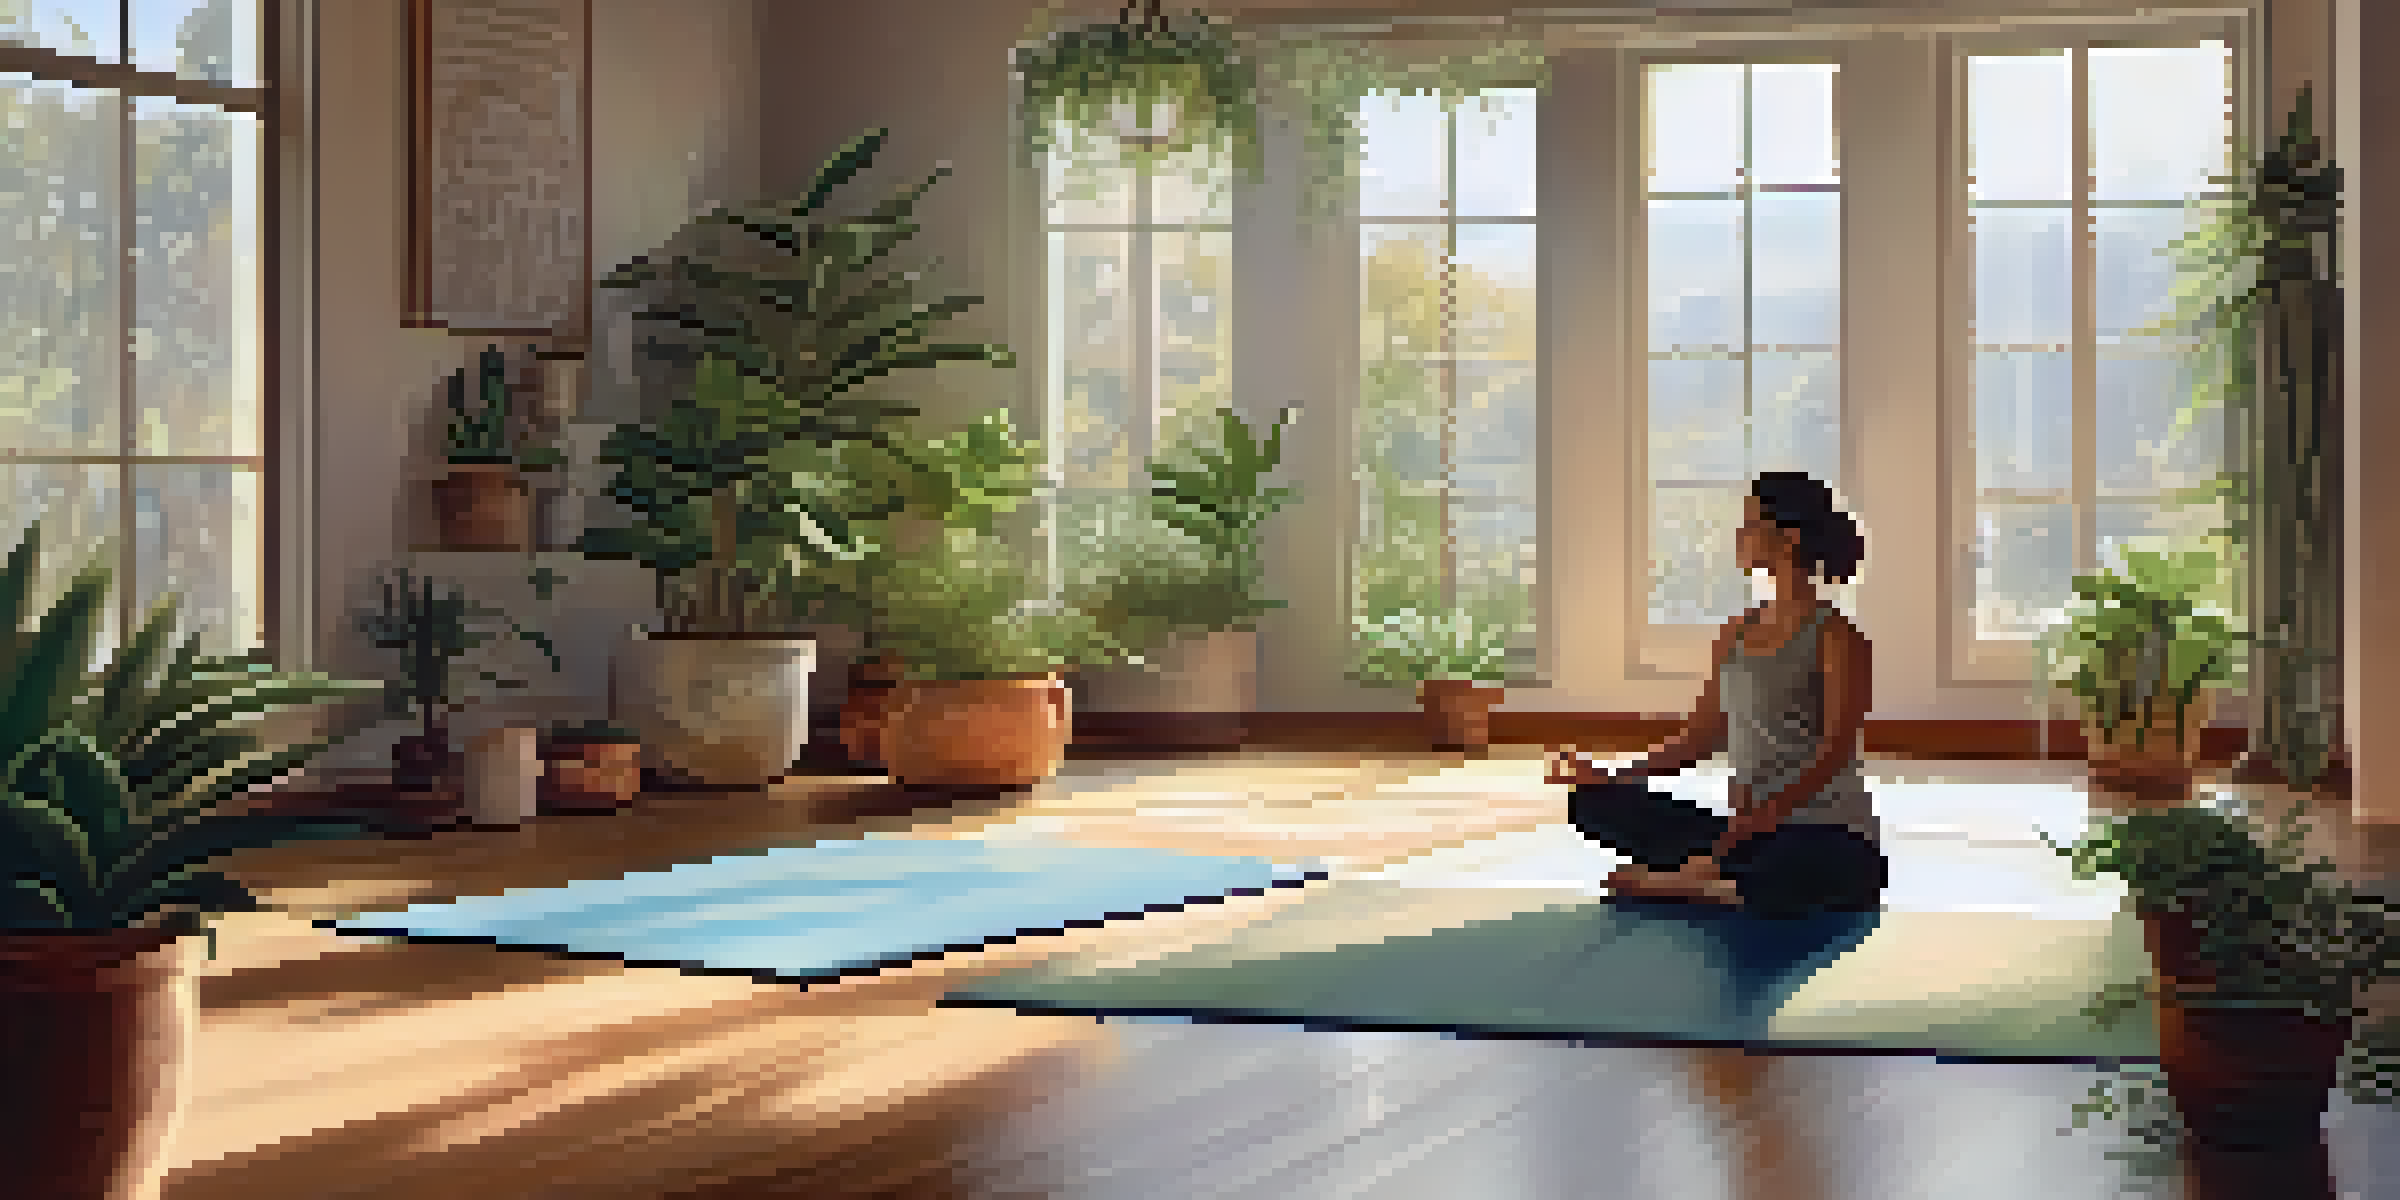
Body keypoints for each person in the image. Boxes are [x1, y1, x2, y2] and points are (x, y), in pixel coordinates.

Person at [1547, 471, 1886, 920]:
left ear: (1787, 539)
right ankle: (1714, 878)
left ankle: (1697, 880)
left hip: (1822, 832)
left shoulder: (1837, 637)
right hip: (1745, 834)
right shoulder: (1735, 634)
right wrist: (1613, 776)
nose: (1740, 537)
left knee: (1823, 867)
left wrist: (1769, 812)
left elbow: (1834, 752)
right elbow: (1699, 739)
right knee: (1592, 805)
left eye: (1749, 526)